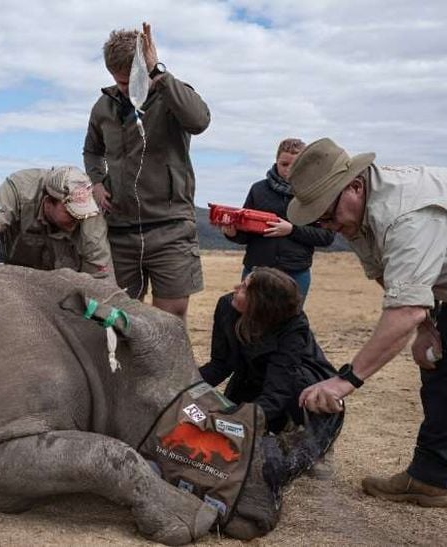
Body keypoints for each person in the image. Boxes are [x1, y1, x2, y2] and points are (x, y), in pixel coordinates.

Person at [287, 138, 447, 507]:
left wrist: (345, 380)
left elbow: (405, 309)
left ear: (354, 185)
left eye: (326, 213)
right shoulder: (355, 215)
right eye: (317, 217)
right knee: (443, 365)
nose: (325, 225)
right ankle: (430, 479)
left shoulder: (408, 214)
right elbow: (390, 276)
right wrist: (428, 328)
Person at [83, 22, 210, 321]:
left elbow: (200, 121)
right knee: (117, 319)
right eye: (118, 81)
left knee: (170, 320)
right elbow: (92, 151)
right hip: (120, 231)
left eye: (130, 80)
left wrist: (158, 73)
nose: (124, 89)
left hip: (171, 229)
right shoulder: (103, 107)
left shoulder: (173, 96)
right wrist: (98, 183)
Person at [199, 267, 338, 434]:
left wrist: (239, 421)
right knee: (232, 414)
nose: (235, 288)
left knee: (251, 427)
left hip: (295, 384)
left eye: (244, 288)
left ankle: (295, 426)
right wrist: (184, 387)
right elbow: (220, 364)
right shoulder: (227, 306)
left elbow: (278, 389)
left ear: (259, 302)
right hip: (251, 377)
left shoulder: (293, 325)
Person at [221, 138, 334, 302]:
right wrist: (232, 233)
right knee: (250, 321)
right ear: (276, 162)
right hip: (256, 271)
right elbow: (245, 235)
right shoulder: (258, 189)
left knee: (290, 324)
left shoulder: (315, 194)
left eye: (295, 165)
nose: (288, 170)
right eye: (284, 164)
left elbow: (326, 236)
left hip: (295, 273)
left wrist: (292, 230)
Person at [0, 166, 114, 281]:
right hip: (15, 271)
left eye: (82, 212)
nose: (79, 218)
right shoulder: (20, 188)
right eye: (70, 212)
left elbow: (99, 278)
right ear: (48, 203)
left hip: (66, 278)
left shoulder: (91, 215)